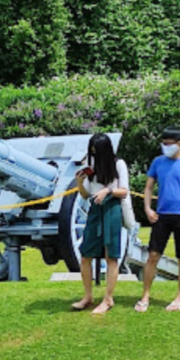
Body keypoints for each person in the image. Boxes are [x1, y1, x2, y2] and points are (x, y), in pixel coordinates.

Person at [136, 126, 180, 312]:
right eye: (163, 143)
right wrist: (148, 208)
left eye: (168, 143)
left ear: (179, 143)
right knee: (153, 255)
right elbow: (149, 187)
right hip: (162, 215)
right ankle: (145, 296)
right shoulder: (158, 162)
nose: (165, 146)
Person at [70, 134, 130, 315]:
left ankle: (107, 299)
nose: (94, 155)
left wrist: (108, 190)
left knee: (111, 255)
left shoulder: (118, 164)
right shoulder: (92, 166)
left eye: (96, 152)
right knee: (86, 254)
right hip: (95, 210)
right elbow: (85, 194)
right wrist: (80, 183)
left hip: (112, 208)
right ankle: (88, 296)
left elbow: (124, 191)